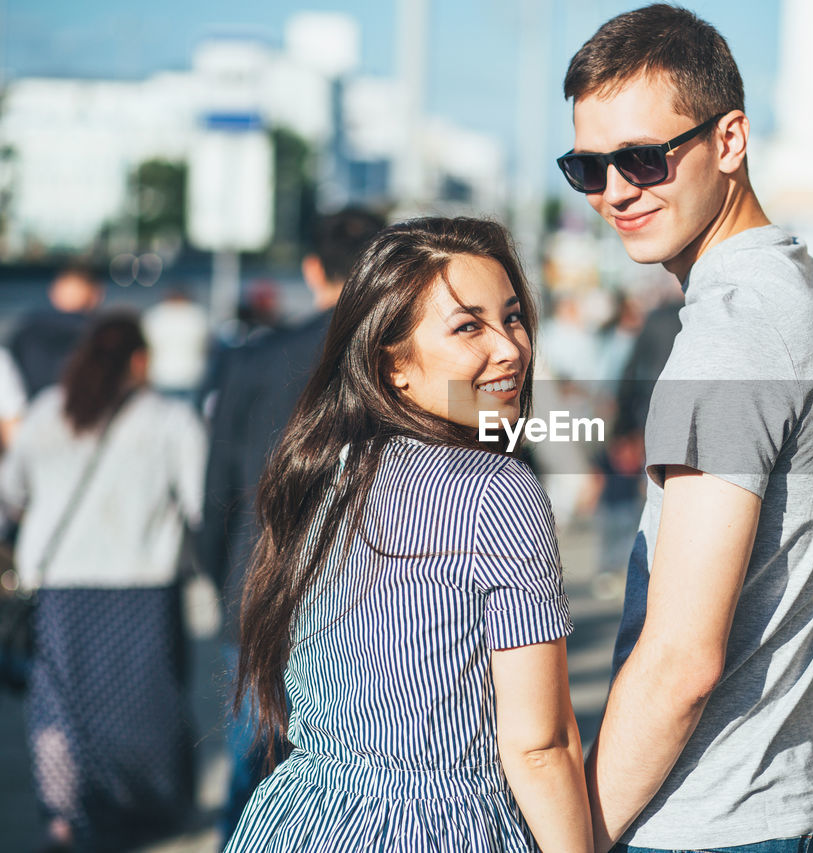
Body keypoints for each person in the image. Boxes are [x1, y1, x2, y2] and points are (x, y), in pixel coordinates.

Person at [557, 6, 813, 851]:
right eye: (587, 168)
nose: (616, 191)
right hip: (797, 799)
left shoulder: (730, 334)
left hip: (712, 816)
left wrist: (577, 833)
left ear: (729, 140)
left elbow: (680, 663)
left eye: (641, 158)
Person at [225, 217, 591, 852]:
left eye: (511, 317)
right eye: (468, 326)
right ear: (392, 365)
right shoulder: (497, 488)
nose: (511, 348)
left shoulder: (331, 470)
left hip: (297, 820)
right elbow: (541, 744)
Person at [200, 206, 384, 840]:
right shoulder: (396, 360)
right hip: (369, 606)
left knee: (251, 776)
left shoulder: (252, 360)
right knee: (355, 781)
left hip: (255, 588)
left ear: (313, 269)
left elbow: (215, 488)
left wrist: (220, 575)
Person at [0, 313, 205, 852]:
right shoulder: (171, 419)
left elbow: (11, 494)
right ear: (140, 360)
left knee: (57, 705)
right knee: (141, 708)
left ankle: (64, 818)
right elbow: (201, 504)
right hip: (141, 588)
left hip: (58, 587)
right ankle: (138, 812)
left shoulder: (47, 412)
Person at [8, 264, 105, 398]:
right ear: (96, 294)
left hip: (32, 410)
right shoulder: (105, 335)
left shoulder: (26, 330)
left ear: (54, 292)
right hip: (85, 410)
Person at [141, 287, 210, 403]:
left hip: (160, 376)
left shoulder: (154, 316)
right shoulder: (198, 316)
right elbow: (205, 347)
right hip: (190, 377)